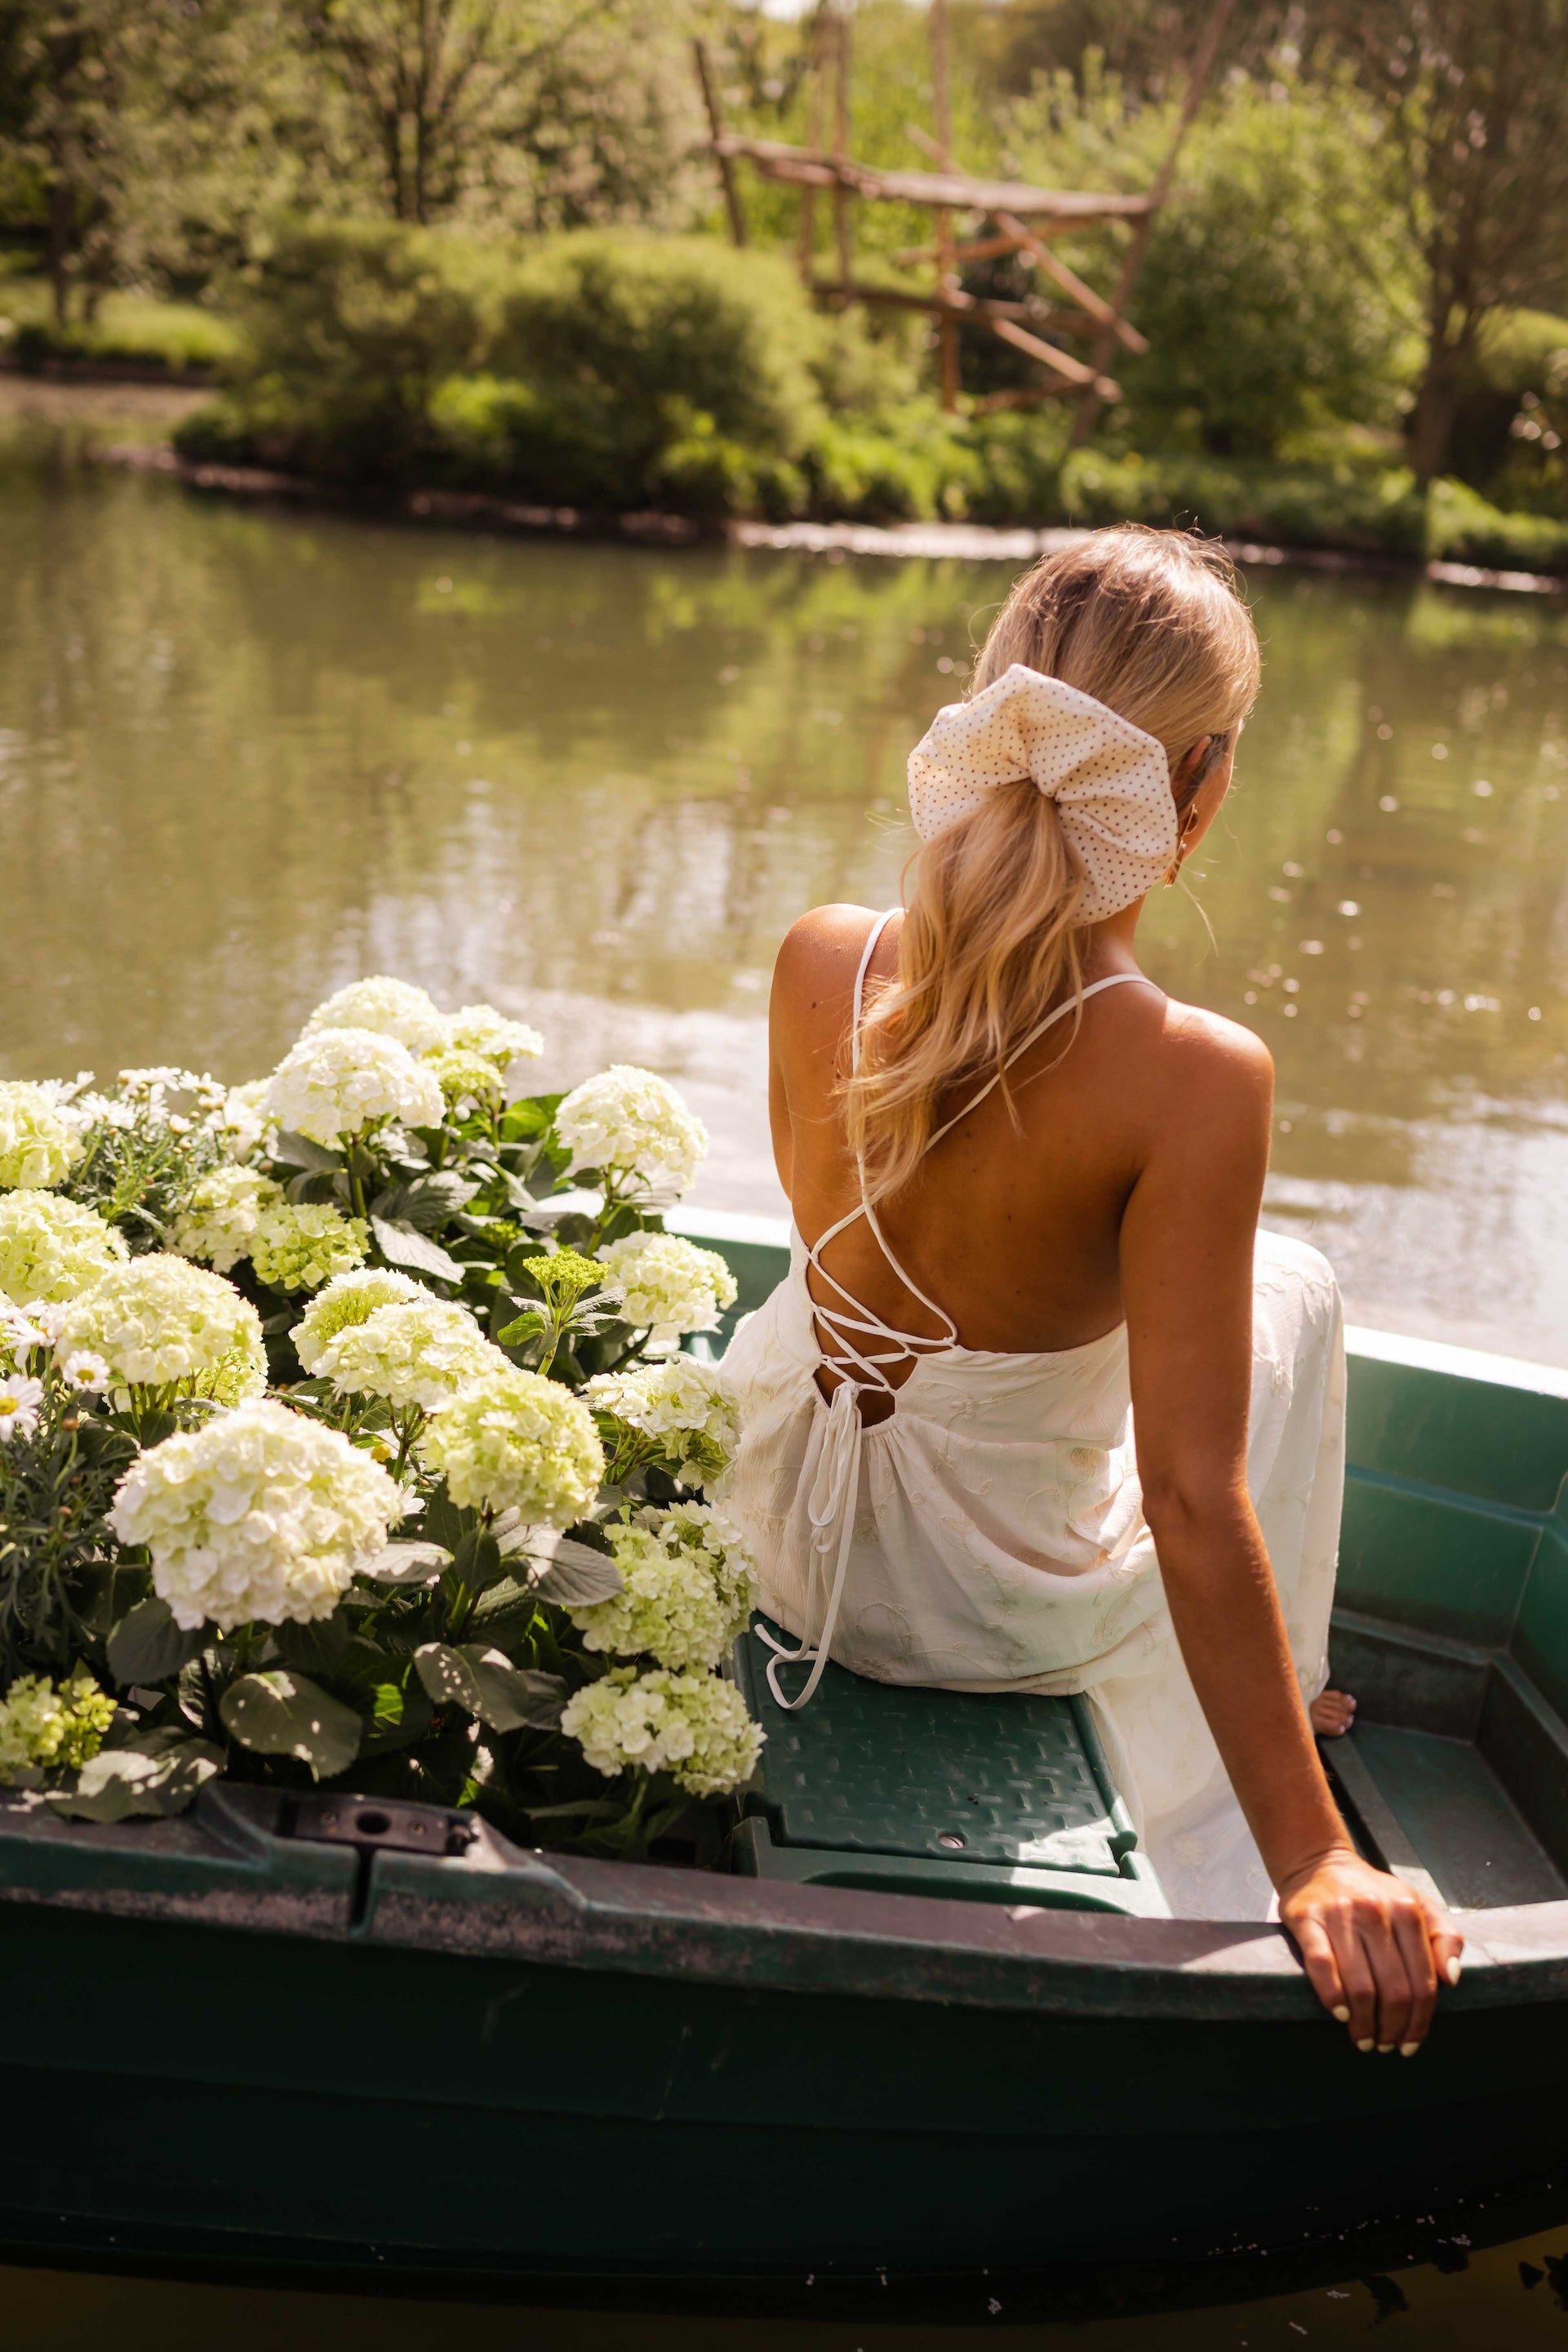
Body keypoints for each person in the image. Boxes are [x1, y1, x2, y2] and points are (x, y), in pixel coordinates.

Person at [722, 525, 1463, 2053]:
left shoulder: (822, 955)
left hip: (780, 1538)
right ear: (1201, 785)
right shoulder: (1195, 1077)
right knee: (1292, 1285)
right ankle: (1287, 1686)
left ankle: (1276, 1679)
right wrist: (1313, 1855)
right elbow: (1189, 1496)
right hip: (976, 1607)